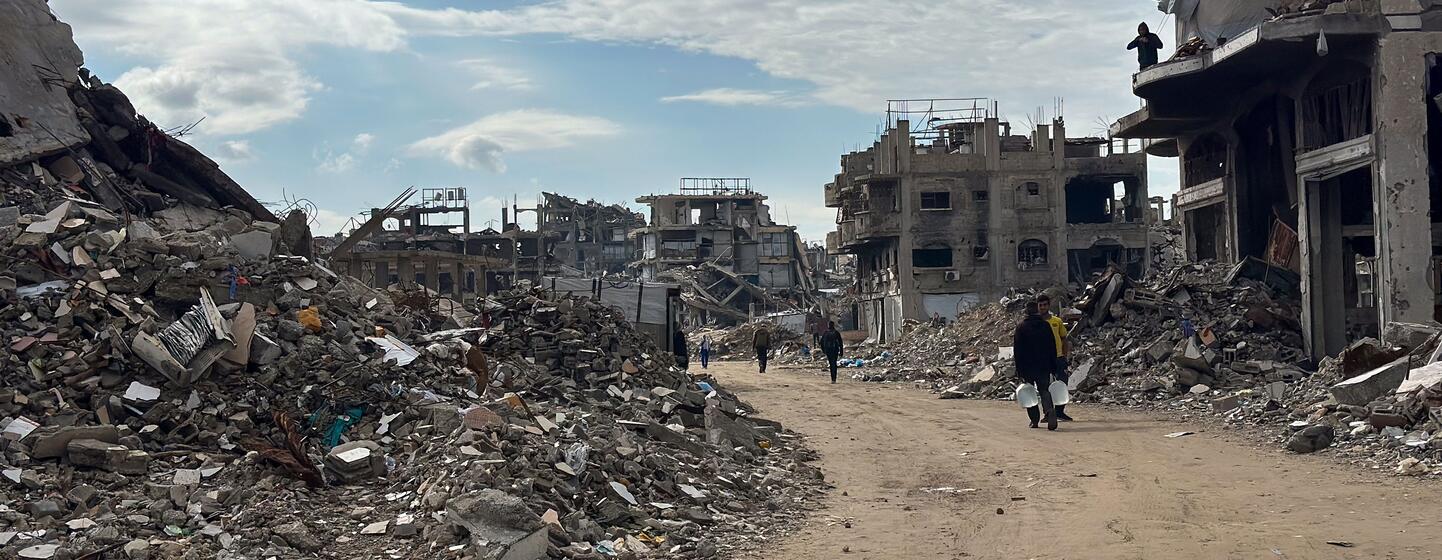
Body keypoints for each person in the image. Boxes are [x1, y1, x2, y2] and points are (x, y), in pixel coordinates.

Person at [1014, 300, 1058, 430]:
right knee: (1044, 389)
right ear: (1037, 311)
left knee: (1029, 391)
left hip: (1027, 366)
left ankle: (1034, 420)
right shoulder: (1045, 325)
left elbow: (1018, 351)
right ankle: (1049, 410)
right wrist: (1053, 366)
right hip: (1044, 364)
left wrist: (1019, 370)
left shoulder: (1021, 327)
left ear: (1026, 312)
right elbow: (1052, 347)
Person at [1036, 294, 1074, 422]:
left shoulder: (1057, 321)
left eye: (1045, 305)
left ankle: (1059, 411)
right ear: (1037, 306)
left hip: (1058, 358)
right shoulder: (1036, 323)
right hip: (1042, 360)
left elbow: (1064, 339)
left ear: (1049, 305)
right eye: (1040, 305)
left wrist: (1064, 355)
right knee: (1044, 387)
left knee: (1062, 384)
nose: (1043, 307)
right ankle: (1048, 413)